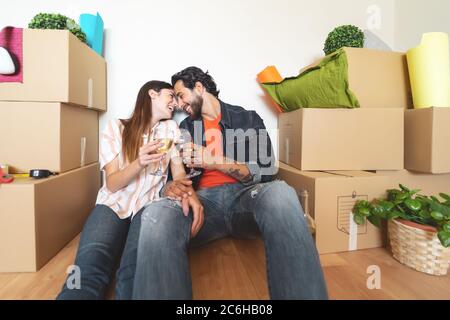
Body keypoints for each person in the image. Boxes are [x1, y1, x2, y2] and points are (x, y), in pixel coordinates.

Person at [132, 67, 328, 300]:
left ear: (199, 87)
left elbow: (267, 170)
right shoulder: (184, 128)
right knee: (157, 212)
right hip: (203, 205)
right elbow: (172, 179)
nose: (180, 105)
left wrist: (216, 161)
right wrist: (170, 188)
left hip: (246, 198)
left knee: (281, 193)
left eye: (181, 95)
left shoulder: (247, 118)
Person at [57, 80, 201, 299]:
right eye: (170, 96)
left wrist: (184, 189)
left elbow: (178, 172)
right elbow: (112, 183)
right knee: (87, 269)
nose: (176, 103)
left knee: (133, 272)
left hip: (148, 205)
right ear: (152, 94)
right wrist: (139, 162)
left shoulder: (170, 129)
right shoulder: (116, 127)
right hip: (112, 204)